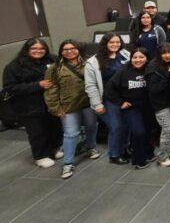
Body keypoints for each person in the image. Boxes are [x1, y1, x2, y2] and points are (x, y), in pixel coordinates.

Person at [44, 40, 100, 179]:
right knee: (70, 134)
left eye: (72, 48)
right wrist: (56, 108)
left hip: (88, 104)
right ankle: (68, 163)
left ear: (78, 49)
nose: (69, 51)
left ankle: (90, 147)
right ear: (61, 51)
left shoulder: (89, 63)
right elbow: (51, 90)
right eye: (65, 49)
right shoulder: (55, 68)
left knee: (92, 126)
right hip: (68, 107)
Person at [2, 38, 61, 168]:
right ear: (27, 49)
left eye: (41, 49)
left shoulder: (52, 59)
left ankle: (54, 149)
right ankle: (40, 156)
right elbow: (10, 88)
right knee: (37, 131)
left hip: (50, 102)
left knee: (54, 127)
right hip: (29, 106)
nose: (38, 51)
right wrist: (37, 85)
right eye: (34, 48)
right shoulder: (14, 66)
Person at [104, 48, 154, 169]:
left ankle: (148, 153)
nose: (138, 60)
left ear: (147, 58)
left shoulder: (151, 69)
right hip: (132, 109)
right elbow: (109, 90)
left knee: (148, 131)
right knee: (138, 132)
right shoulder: (123, 72)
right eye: (135, 57)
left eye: (141, 57)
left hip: (148, 107)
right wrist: (120, 103)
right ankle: (138, 161)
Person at [85, 33, 131, 165]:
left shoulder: (125, 55)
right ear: (105, 43)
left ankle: (125, 149)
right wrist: (97, 104)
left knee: (126, 126)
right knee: (116, 127)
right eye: (111, 42)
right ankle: (114, 154)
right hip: (108, 100)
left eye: (117, 42)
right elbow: (90, 85)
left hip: (125, 98)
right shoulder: (93, 61)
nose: (115, 45)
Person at [146, 42, 170, 166]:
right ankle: (162, 156)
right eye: (164, 53)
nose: (167, 55)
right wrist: (168, 75)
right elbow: (154, 89)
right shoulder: (153, 67)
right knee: (169, 130)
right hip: (161, 105)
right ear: (159, 54)